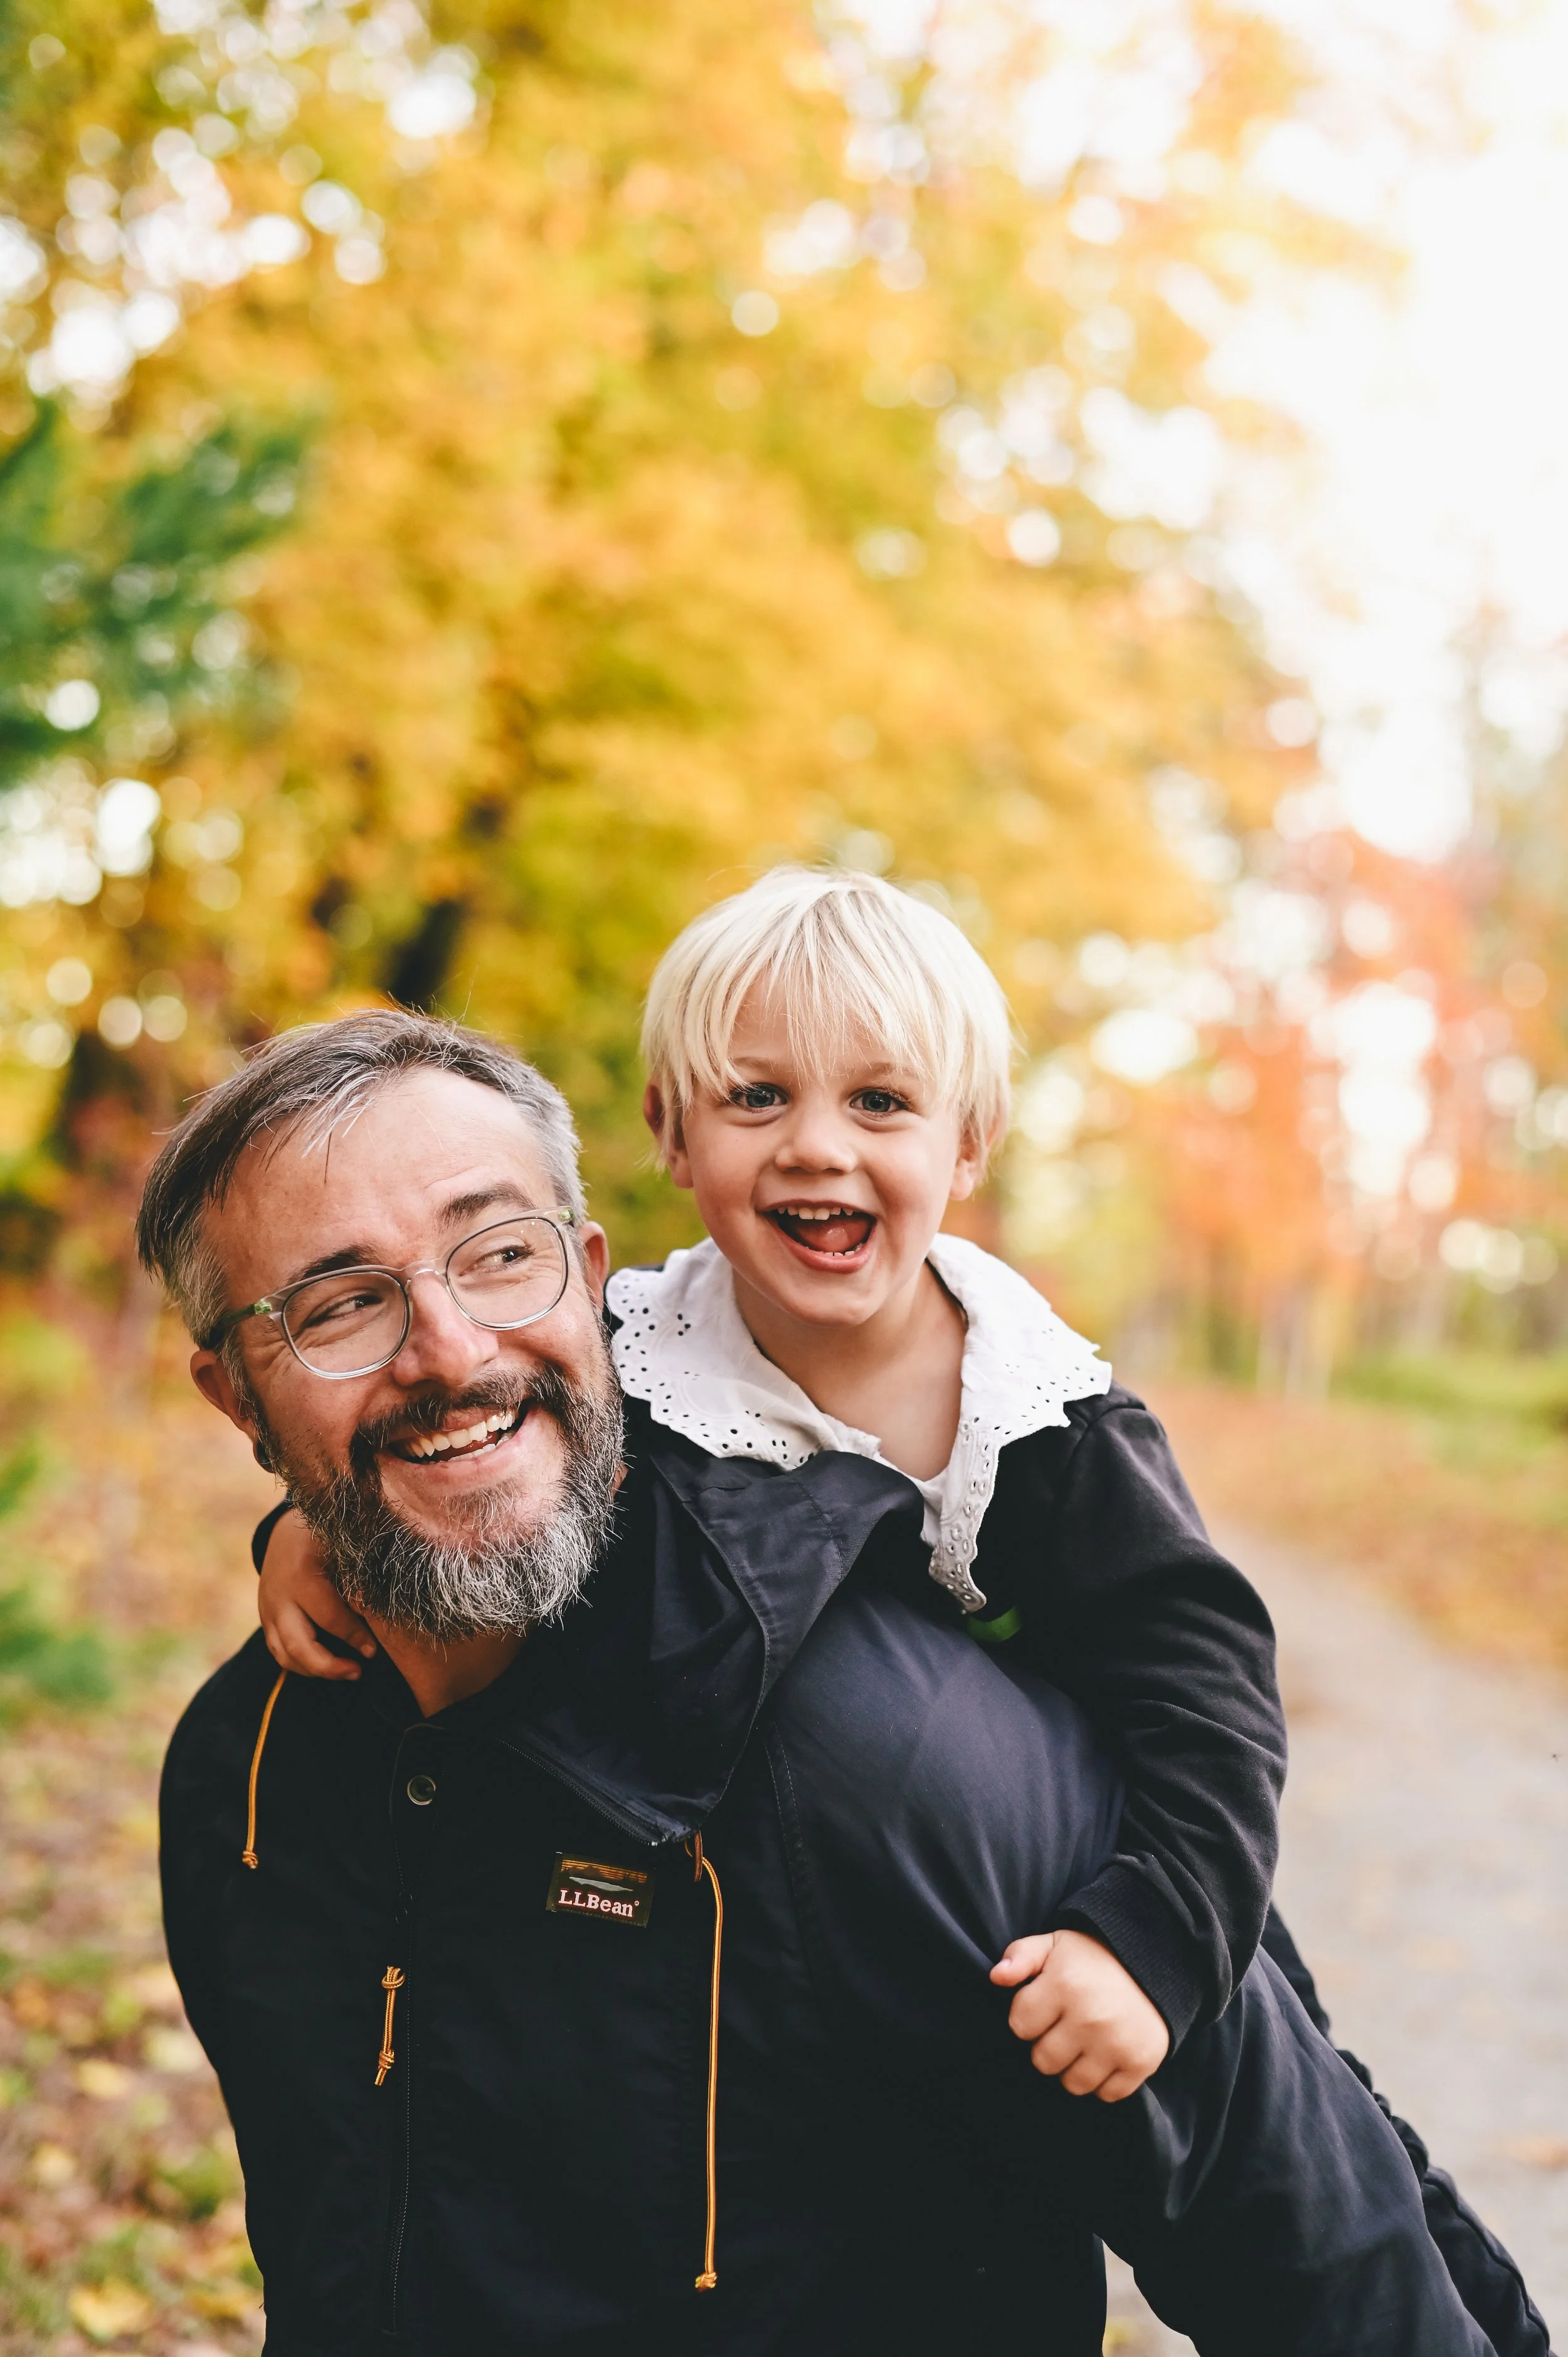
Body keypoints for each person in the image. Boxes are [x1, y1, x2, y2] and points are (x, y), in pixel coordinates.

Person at [252, 874, 1550, 2356]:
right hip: (797, 1864)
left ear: (965, 1143)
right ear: (670, 1134)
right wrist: (307, 1534)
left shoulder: (1041, 1424)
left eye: (879, 1102)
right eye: (755, 1097)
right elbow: (473, 1440)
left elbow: (1205, 1699)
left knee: (1303, 2105)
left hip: (1086, 1845)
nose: (818, 1145)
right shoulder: (631, 1353)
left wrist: (1152, 1940)